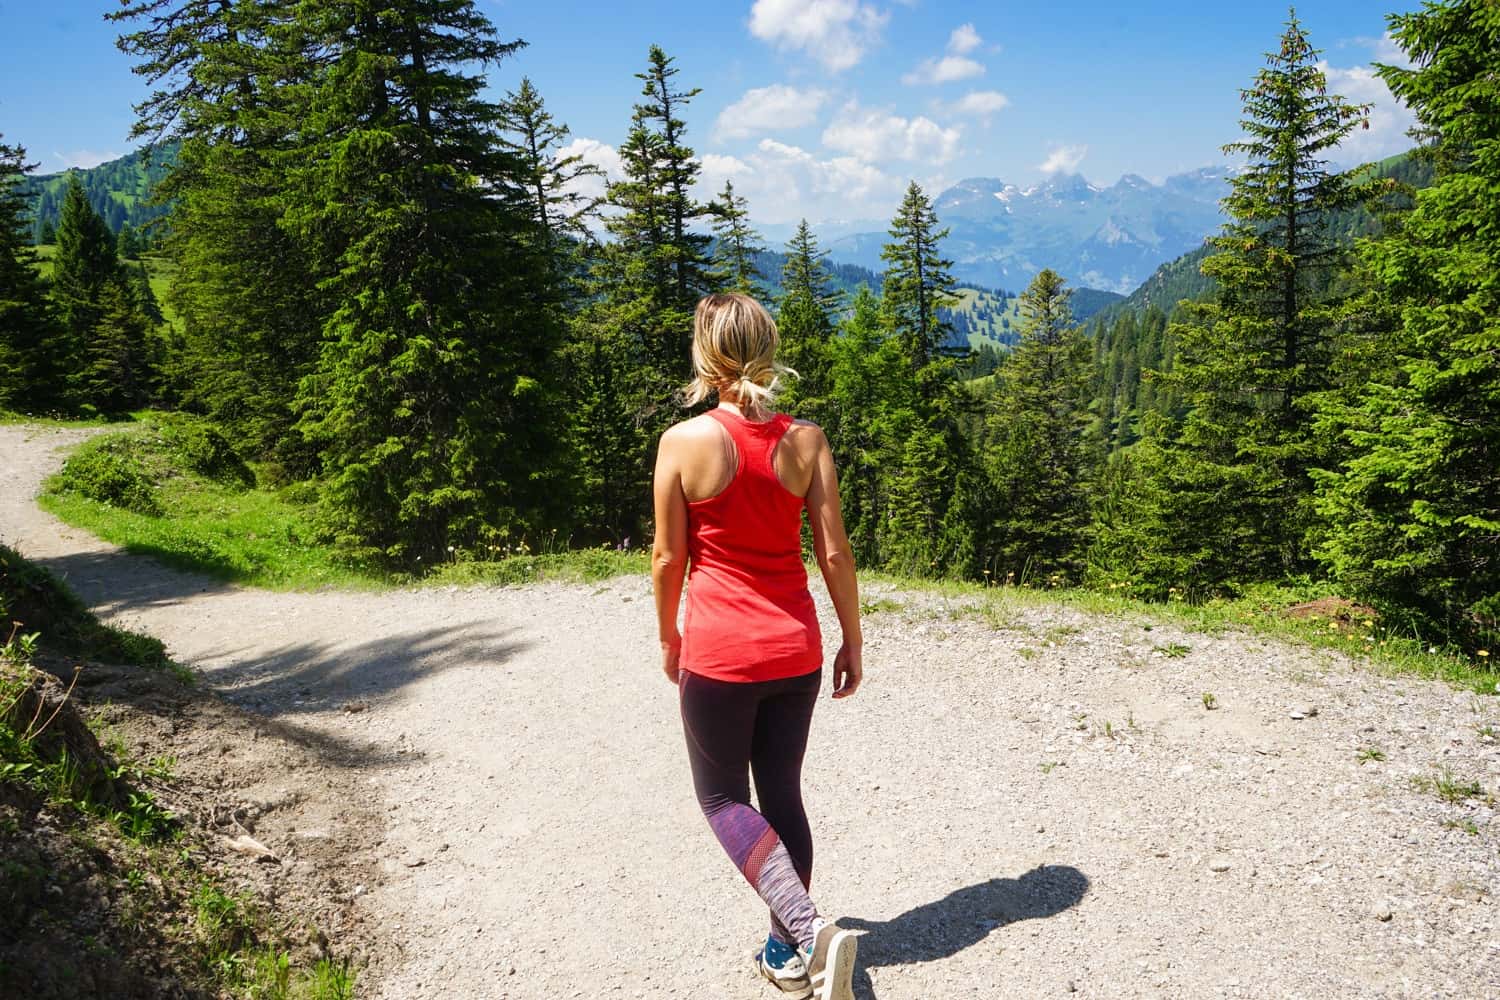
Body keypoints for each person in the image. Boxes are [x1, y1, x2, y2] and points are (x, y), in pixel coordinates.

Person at [652, 293, 864, 1000]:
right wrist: (851, 640)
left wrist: (669, 636)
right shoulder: (806, 441)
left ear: (706, 357)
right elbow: (834, 554)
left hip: (720, 653)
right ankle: (788, 953)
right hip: (795, 651)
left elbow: (665, 558)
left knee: (720, 799)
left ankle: (806, 930)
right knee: (781, 796)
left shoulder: (683, 444)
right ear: (768, 350)